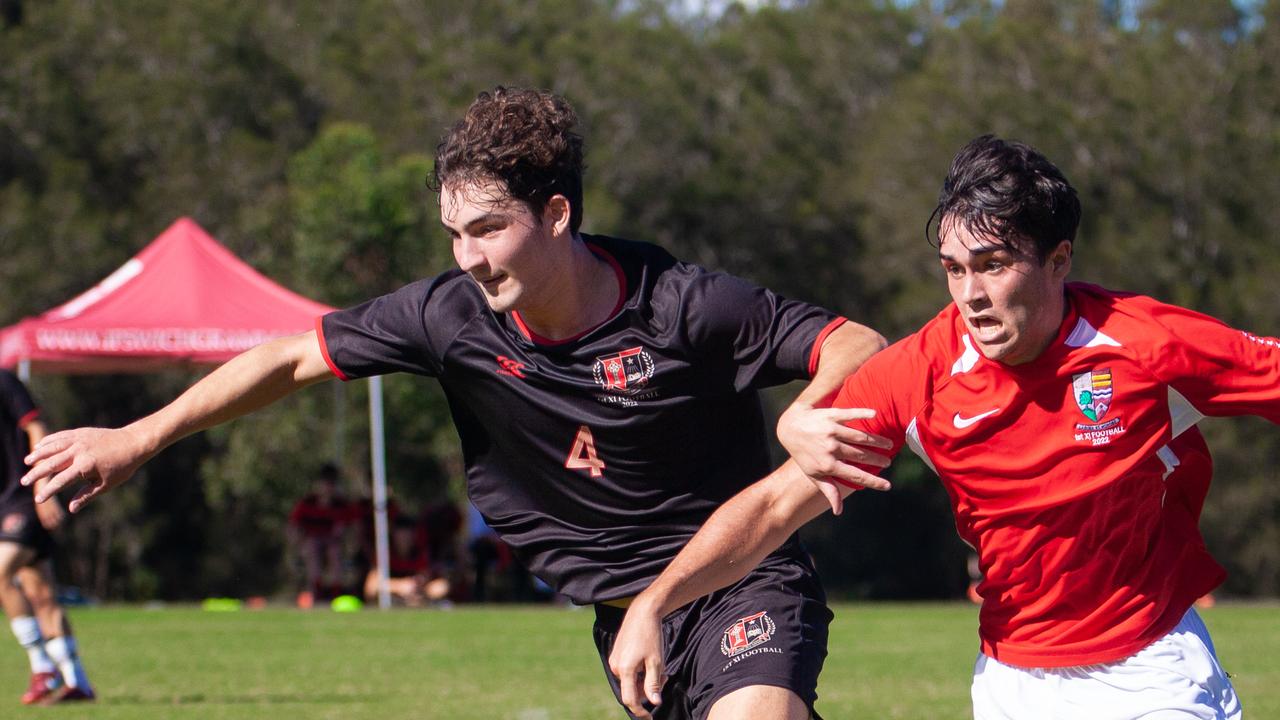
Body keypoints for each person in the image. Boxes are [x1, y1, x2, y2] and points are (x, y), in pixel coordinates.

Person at [19, 87, 889, 719]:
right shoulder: (449, 316)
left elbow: (858, 345)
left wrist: (801, 412)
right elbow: (290, 360)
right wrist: (140, 436)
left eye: (486, 230)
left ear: (555, 215)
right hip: (626, 617)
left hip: (744, 577)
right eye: (453, 233)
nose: (467, 257)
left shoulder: (682, 304)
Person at [608, 135, 1275, 719]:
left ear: (1059, 260)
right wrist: (656, 602)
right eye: (954, 269)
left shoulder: (1147, 344)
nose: (970, 296)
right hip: (1014, 685)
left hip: (1151, 668)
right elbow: (777, 506)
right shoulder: (917, 375)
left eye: (992, 265)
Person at [0, 370, 94, 704]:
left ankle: (42, 667)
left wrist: (43, 484)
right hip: (3, 504)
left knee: (1, 572)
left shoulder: (4, 381)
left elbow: (36, 427)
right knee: (41, 595)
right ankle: (77, 682)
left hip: (24, 498)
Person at [286, 463, 351, 607]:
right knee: (312, 546)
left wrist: (341, 533)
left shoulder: (341, 505)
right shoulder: (306, 503)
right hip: (311, 544)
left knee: (334, 551)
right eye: (325, 483)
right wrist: (295, 544)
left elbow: (348, 527)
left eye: (331, 484)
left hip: (334, 544)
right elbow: (293, 526)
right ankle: (316, 592)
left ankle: (336, 594)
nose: (327, 488)